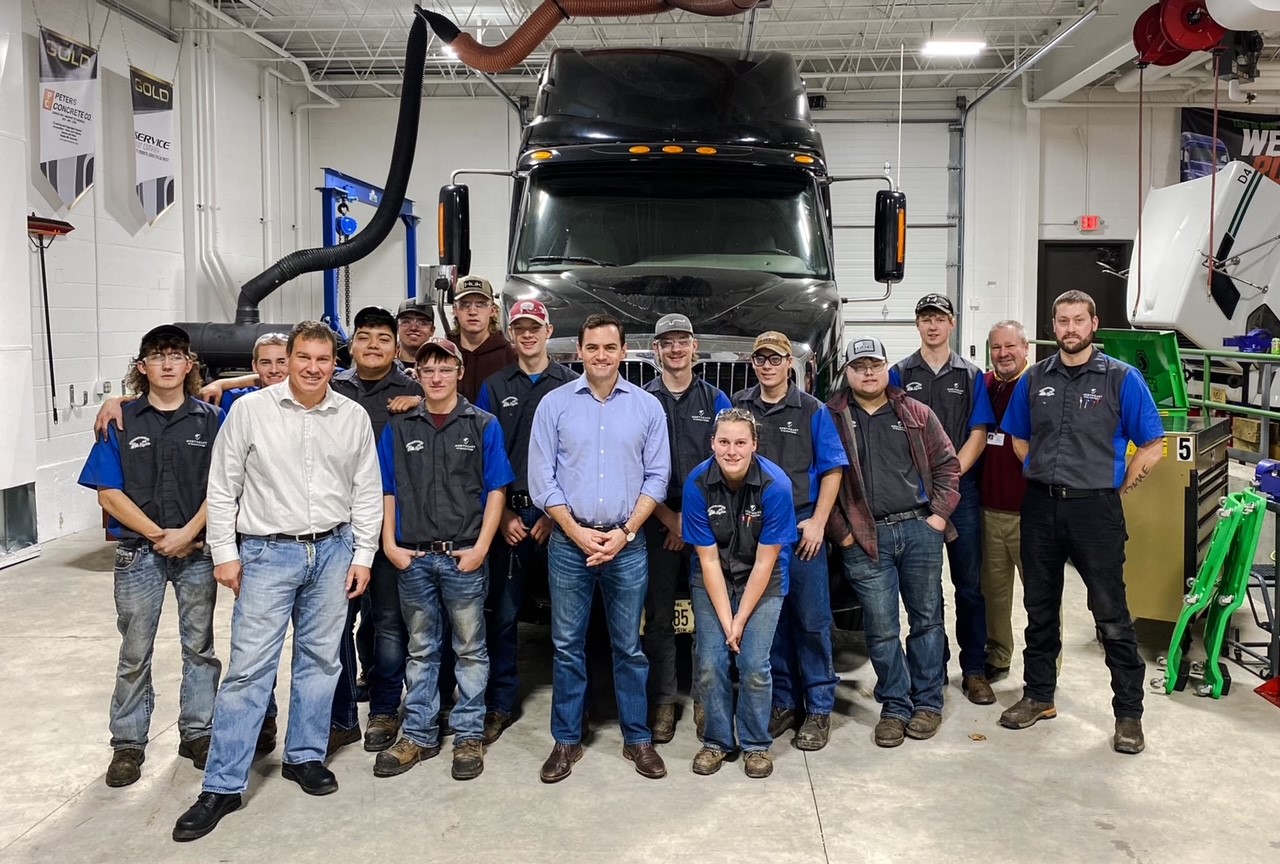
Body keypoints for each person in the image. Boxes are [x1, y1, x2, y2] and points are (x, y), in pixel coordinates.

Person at [172, 321, 383, 843]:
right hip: (267, 553)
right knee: (249, 671)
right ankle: (223, 784)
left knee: (320, 662)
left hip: (333, 550)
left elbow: (367, 492)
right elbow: (222, 488)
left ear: (335, 362)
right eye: (304, 357)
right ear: (286, 359)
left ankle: (304, 756)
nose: (314, 368)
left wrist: (363, 554)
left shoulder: (351, 415)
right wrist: (225, 553)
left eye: (323, 359)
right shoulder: (249, 411)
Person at [998, 290, 1164, 755]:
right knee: (1039, 608)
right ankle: (1038, 696)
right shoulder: (1035, 380)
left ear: (1094, 325)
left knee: (1111, 615)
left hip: (1096, 511)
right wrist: (1047, 476)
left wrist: (1119, 486)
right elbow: (1020, 441)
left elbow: (1153, 442)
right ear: (1053, 327)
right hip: (1041, 509)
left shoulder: (1121, 379)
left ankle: (1128, 715)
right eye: (1062, 321)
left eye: (1078, 321)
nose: (1070, 329)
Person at [77, 324, 224, 787]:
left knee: (199, 647)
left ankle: (198, 731)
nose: (166, 364)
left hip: (197, 552)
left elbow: (223, 487)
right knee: (134, 650)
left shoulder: (211, 420)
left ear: (189, 365)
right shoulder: (119, 420)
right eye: (156, 356)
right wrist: (161, 535)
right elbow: (108, 493)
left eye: (175, 355)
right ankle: (128, 744)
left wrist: (189, 534)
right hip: (139, 554)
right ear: (142, 367)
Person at [529, 313, 671, 783]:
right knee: (567, 646)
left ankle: (637, 738)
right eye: (593, 347)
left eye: (610, 347)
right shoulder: (554, 405)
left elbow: (658, 477)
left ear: (624, 351)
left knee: (629, 646)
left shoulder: (647, 407)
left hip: (626, 546)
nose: (601, 356)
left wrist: (626, 532)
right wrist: (574, 531)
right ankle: (566, 741)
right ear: (579, 351)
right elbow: (541, 479)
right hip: (571, 546)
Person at [374, 338, 514, 780]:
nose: (436, 377)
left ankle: (468, 734)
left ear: (458, 373)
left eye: (444, 369)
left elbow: (496, 490)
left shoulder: (483, 424)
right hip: (412, 557)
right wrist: (390, 545)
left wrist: (481, 548)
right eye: (427, 370)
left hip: (463, 557)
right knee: (421, 650)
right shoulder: (398, 428)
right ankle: (418, 734)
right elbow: (387, 490)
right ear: (417, 376)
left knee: (471, 649)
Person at [826, 337, 960, 747]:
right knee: (881, 629)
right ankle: (896, 705)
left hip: (919, 530)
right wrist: (843, 534)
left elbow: (948, 466)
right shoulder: (830, 418)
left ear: (887, 368)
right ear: (847, 373)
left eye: (875, 364)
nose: (868, 372)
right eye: (859, 366)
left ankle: (927, 702)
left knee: (927, 620)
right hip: (865, 537)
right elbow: (819, 483)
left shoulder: (915, 413)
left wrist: (936, 517)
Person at [732, 331, 846, 751]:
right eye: (760, 358)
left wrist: (818, 522)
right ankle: (782, 702)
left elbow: (833, 469)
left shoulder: (813, 410)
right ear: (753, 363)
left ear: (788, 364)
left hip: (800, 529)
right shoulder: (738, 407)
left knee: (812, 620)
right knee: (769, 621)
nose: (767, 365)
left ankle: (817, 707)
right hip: (757, 530)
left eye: (775, 358)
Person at [474, 299, 576, 743]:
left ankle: (575, 710)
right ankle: (498, 704)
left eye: (534, 326)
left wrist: (558, 516)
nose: (528, 334)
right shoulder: (495, 387)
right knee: (504, 615)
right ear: (511, 333)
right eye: (520, 328)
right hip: (511, 515)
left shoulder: (570, 385)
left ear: (548, 330)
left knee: (571, 622)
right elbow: (484, 456)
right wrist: (504, 516)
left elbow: (579, 459)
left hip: (560, 518)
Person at [889, 293, 997, 705]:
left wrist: (950, 478)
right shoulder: (899, 374)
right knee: (925, 590)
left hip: (961, 494)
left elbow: (978, 433)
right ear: (917, 325)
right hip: (915, 496)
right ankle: (931, 670)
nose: (933, 326)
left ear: (952, 324)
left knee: (968, 585)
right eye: (925, 319)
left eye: (940, 319)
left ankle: (973, 670)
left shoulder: (970, 375)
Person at [327, 306, 424, 756]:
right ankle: (342, 714)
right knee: (336, 625)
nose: (372, 346)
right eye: (364, 337)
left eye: (383, 338)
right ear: (351, 346)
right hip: (333, 526)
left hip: (389, 527)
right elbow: (271, 382)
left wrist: (421, 399)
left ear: (396, 345)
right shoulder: (328, 387)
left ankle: (385, 710)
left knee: (387, 622)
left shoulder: (412, 388)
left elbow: (451, 404)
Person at [682, 408, 796, 778]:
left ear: (754, 445)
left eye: (741, 442)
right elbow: (709, 562)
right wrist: (727, 621)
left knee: (753, 665)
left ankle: (756, 744)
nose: (732, 451)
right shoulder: (697, 484)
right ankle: (716, 741)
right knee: (712, 662)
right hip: (714, 578)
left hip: (762, 579)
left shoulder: (775, 485)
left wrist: (741, 620)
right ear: (712, 442)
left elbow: (765, 563)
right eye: (724, 442)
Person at [642, 313, 732, 743]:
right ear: (656, 350)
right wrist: (666, 518)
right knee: (659, 616)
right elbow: (635, 466)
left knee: (707, 617)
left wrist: (689, 523)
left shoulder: (716, 401)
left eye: (683, 341)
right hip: (654, 521)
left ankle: (703, 700)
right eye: (667, 343)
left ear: (695, 347)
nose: (675, 350)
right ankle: (662, 703)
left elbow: (725, 464)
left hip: (704, 523)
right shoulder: (641, 400)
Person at [980, 320, 1032, 681]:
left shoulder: (1039, 384)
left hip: (1032, 513)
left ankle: (1046, 668)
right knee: (993, 595)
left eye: (1010, 346)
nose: (1003, 354)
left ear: (1025, 348)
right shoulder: (984, 384)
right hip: (987, 510)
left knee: (1041, 598)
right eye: (997, 347)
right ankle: (998, 656)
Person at [449, 275, 516, 402]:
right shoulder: (444, 354)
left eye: (480, 304)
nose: (473, 311)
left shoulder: (510, 356)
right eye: (464, 304)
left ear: (493, 310)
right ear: (455, 310)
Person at [396, 299, 436, 368]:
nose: (413, 328)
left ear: (432, 330)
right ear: (397, 327)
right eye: (406, 321)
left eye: (423, 322)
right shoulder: (384, 367)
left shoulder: (440, 369)